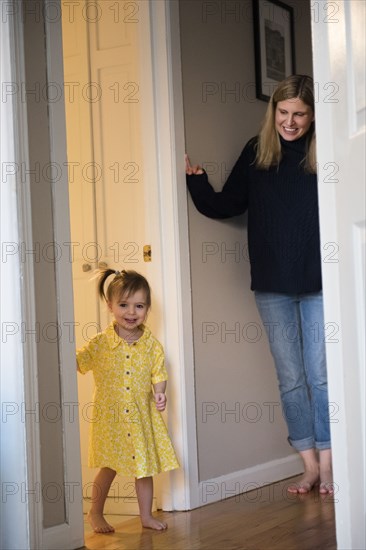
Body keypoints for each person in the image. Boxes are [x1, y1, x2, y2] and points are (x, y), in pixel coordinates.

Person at [186, 74, 334, 495]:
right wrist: (196, 181)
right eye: (283, 113)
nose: (290, 122)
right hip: (272, 284)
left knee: (320, 377)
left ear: (313, 115)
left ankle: (330, 464)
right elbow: (228, 203)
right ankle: (308, 466)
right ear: (274, 112)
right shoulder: (257, 151)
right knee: (290, 378)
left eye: (299, 115)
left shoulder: (327, 152)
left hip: (321, 281)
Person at [77, 268, 179, 533]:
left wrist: (160, 391)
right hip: (110, 418)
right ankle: (95, 513)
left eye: (139, 306)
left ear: (147, 309)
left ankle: (145, 515)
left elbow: (159, 371)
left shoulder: (151, 344)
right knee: (108, 466)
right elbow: (79, 362)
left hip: (140, 415)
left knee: (143, 468)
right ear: (110, 306)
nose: (131, 312)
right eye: (124, 305)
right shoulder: (100, 343)